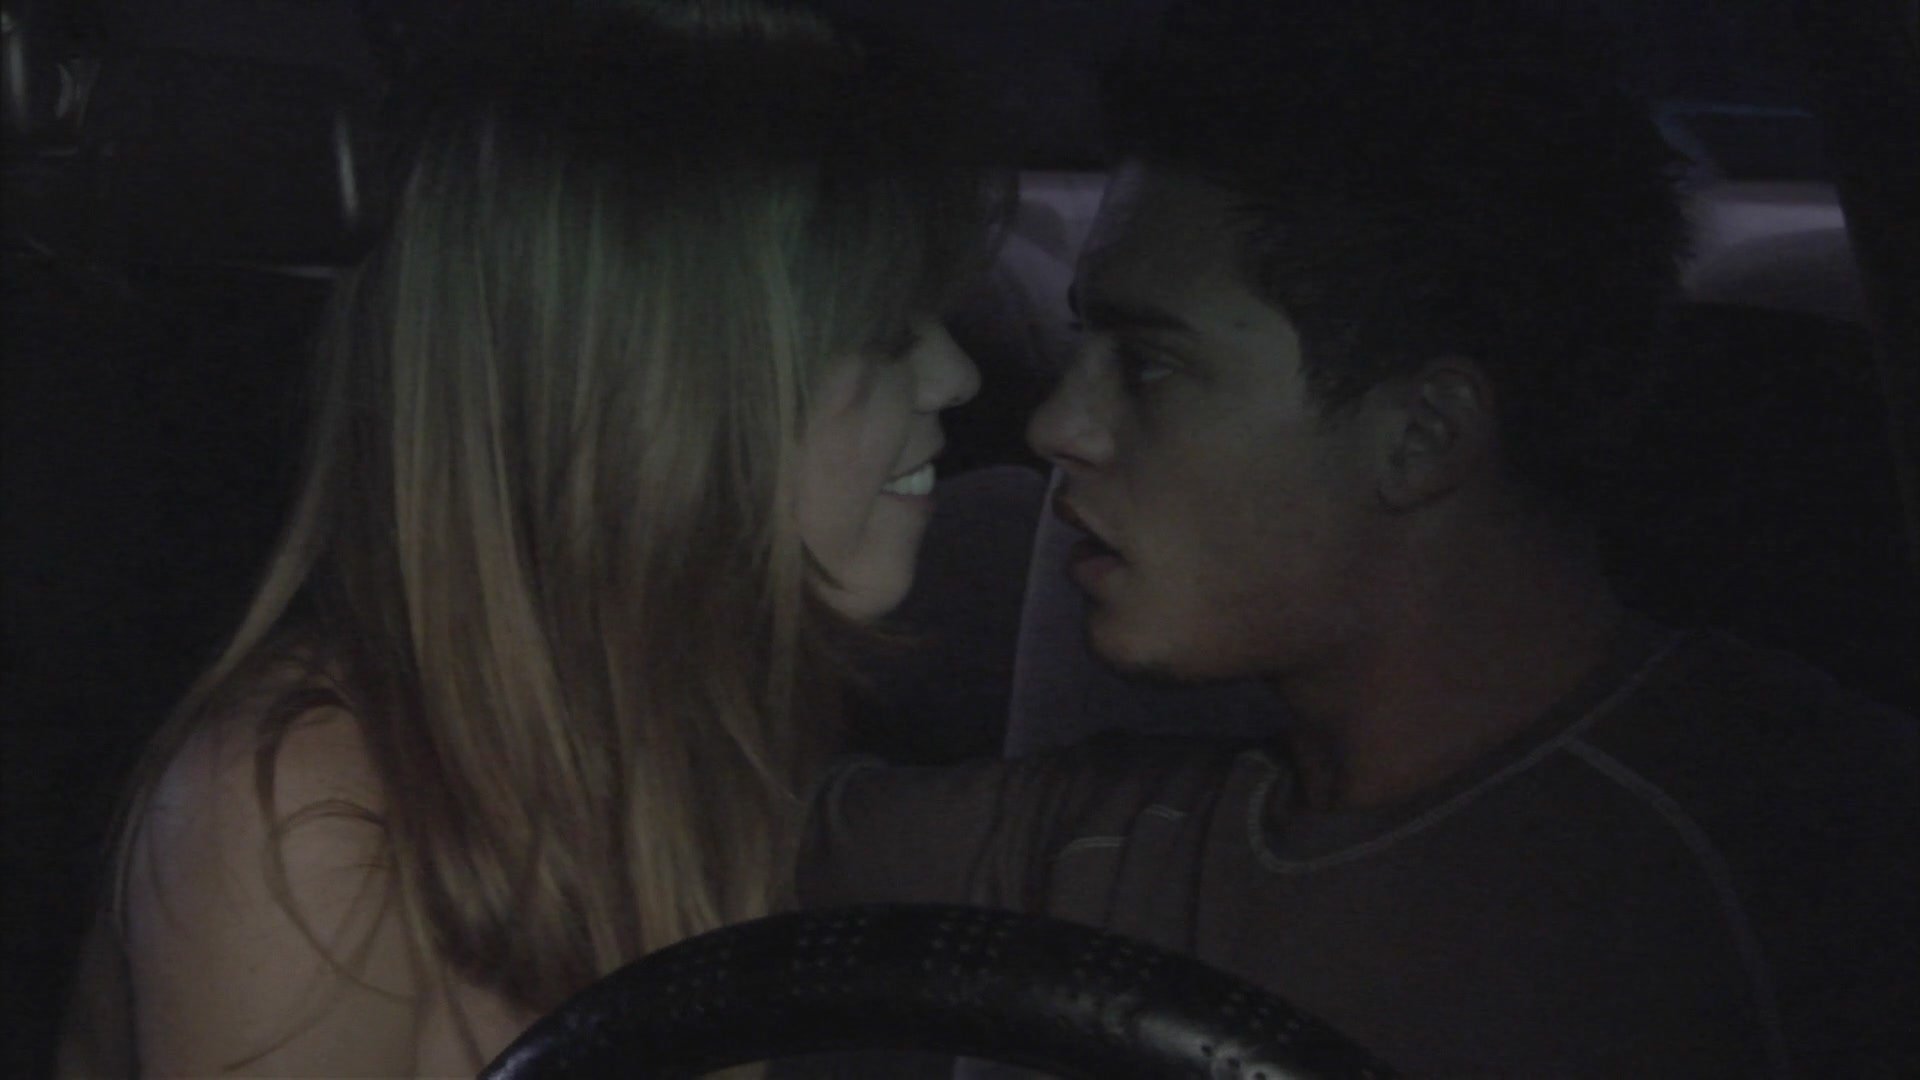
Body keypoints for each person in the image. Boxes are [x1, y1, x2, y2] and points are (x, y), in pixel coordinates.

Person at [800, 0, 1920, 1075]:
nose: (1056, 426)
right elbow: (728, 830)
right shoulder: (1117, 840)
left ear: (1421, 435)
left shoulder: (1797, 849)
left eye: (1148, 363)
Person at [55, 2, 1003, 1074]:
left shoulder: (699, 725)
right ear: (659, 396)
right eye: (885, 333)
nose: (955, 376)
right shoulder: (307, 813)